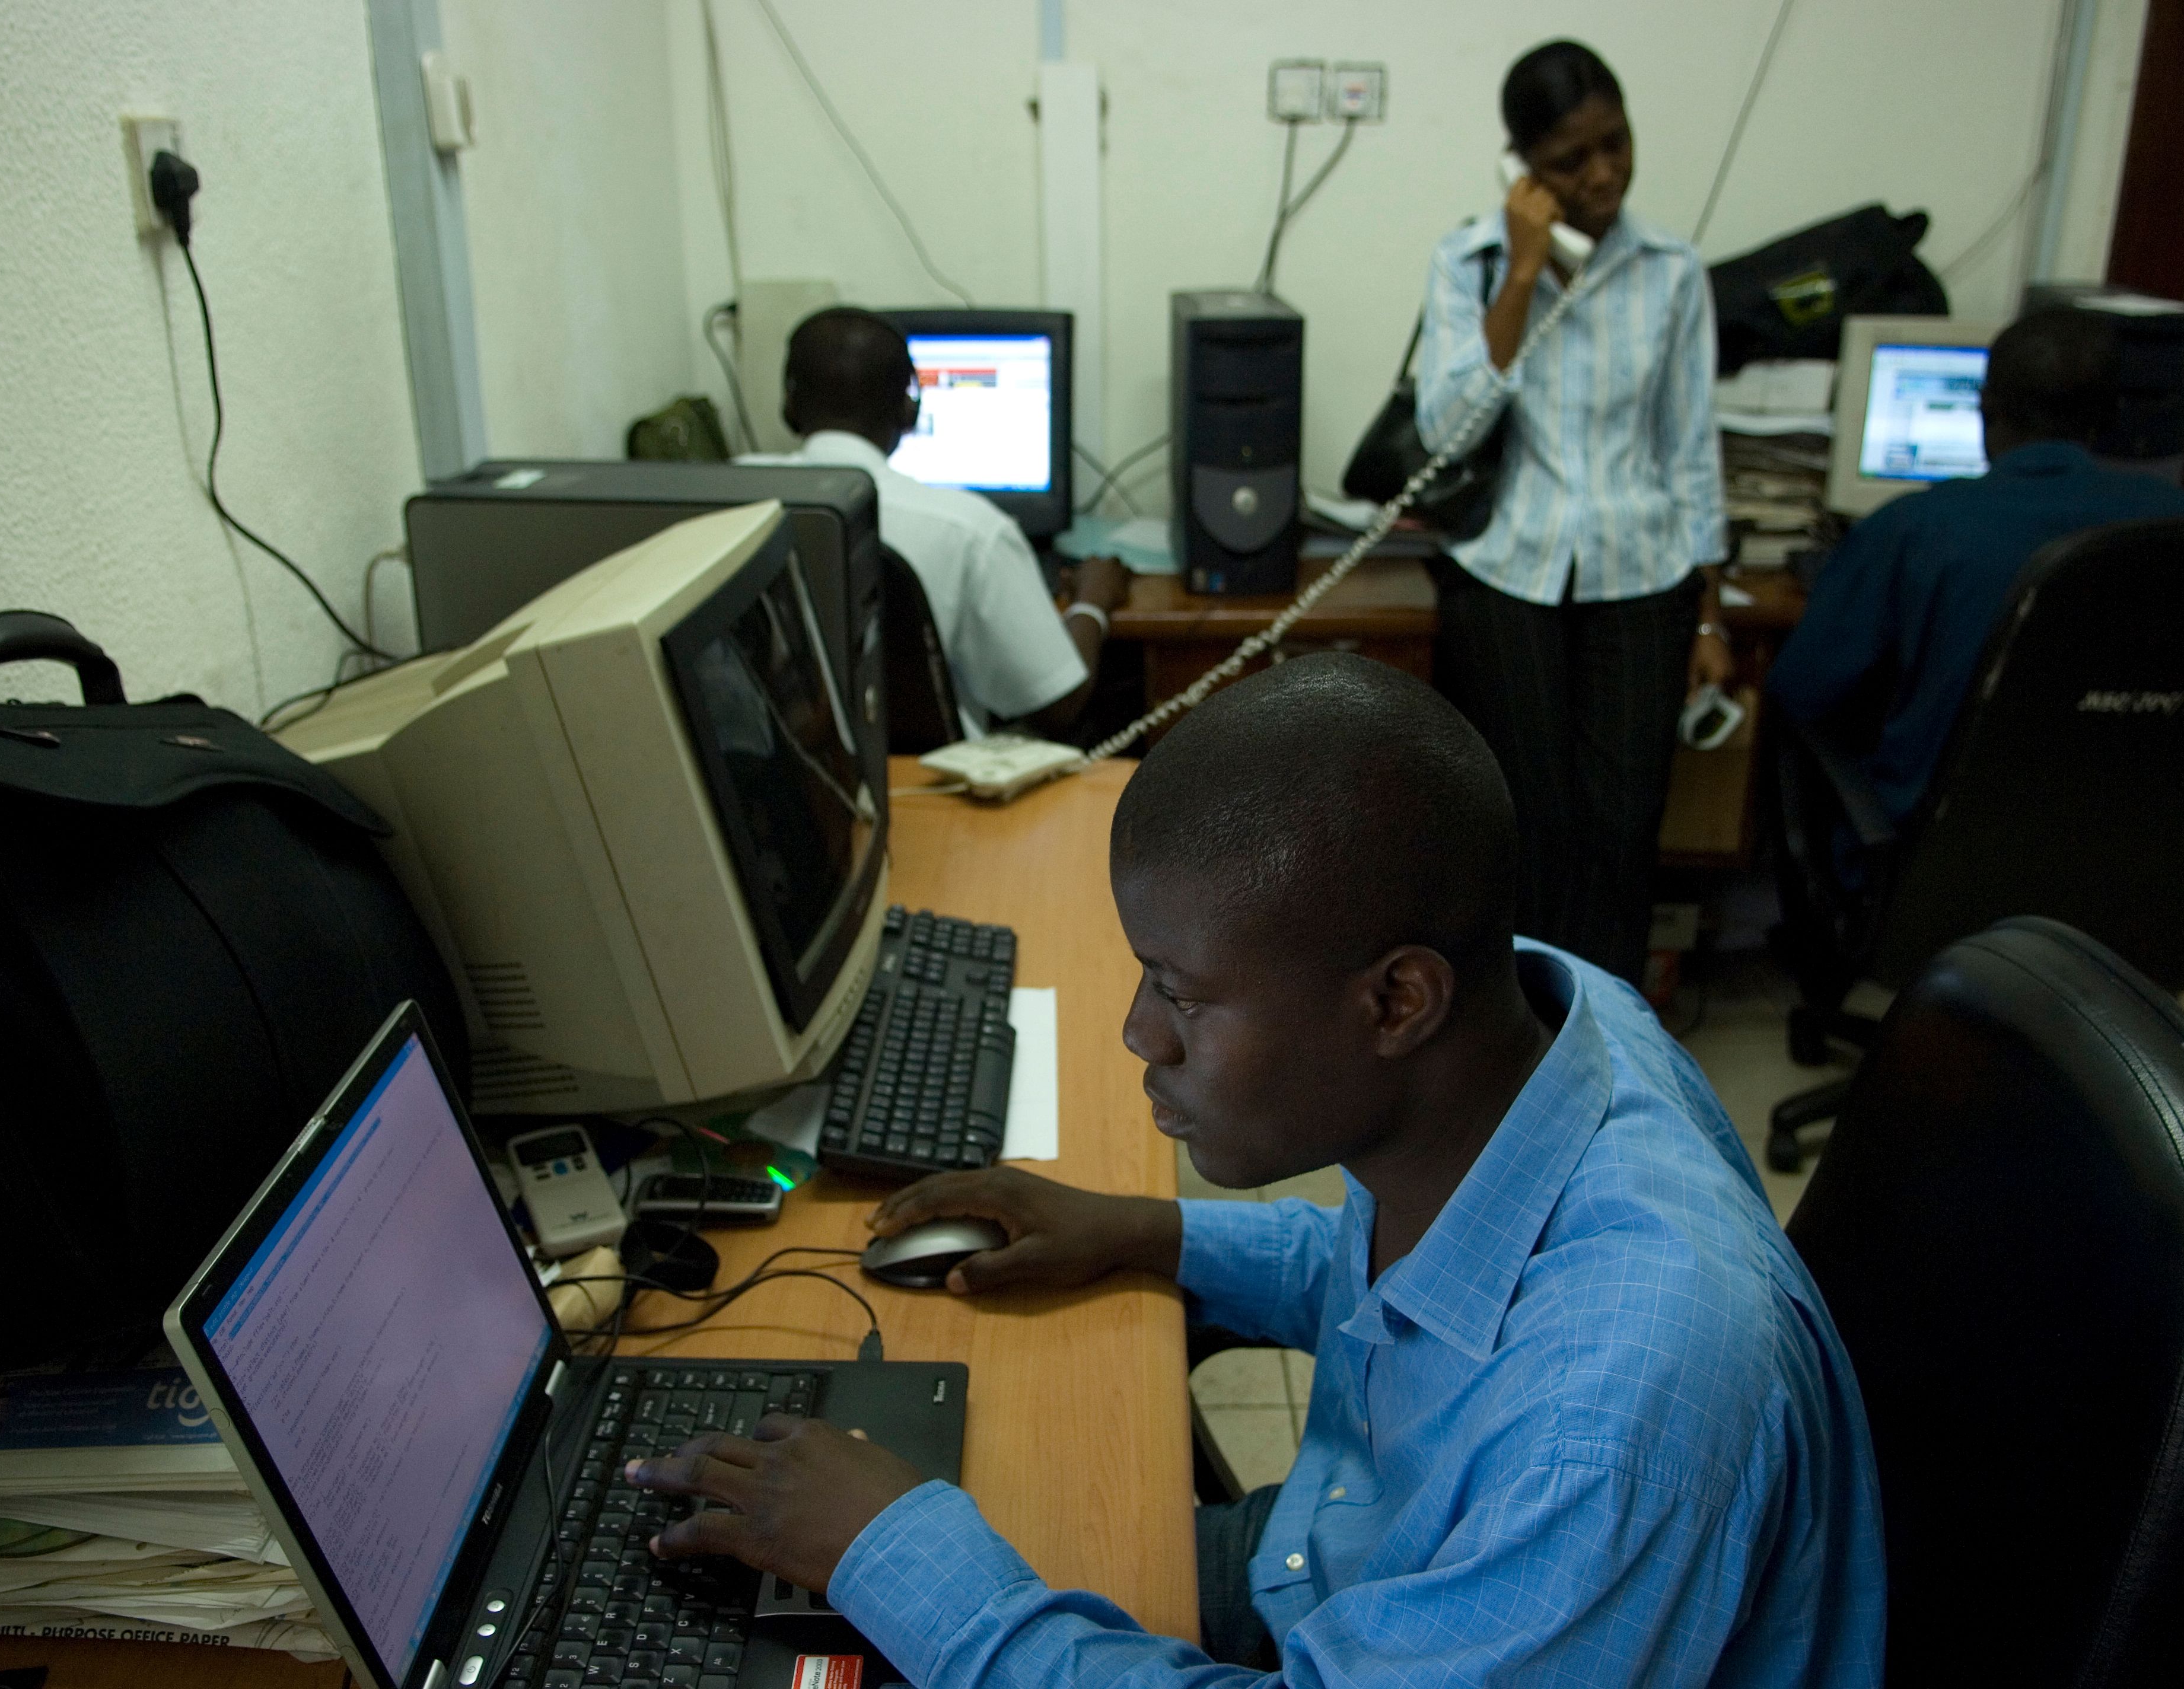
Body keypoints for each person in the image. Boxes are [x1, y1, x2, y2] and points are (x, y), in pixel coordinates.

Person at [626, 654, 1886, 1687]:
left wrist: (894, 1551)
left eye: (1178, 991)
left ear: (1397, 997)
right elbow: (1426, 1279)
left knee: (910, 1563)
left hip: (1401, 1629)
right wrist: (1145, 1230)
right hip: (1354, 1568)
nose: (1136, 1033)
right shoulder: (1536, 1022)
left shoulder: (1613, 1417)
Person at [1415, 40, 1731, 987]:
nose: (1602, 176)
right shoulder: (1467, 263)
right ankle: (1524, 1030)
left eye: (1615, 145)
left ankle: (1616, 1033)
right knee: (1528, 823)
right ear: (1522, 169)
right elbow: (1449, 431)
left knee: (1624, 826)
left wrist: (1713, 612)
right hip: (1508, 573)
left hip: (1644, 574)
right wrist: (1521, 274)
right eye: (1569, 161)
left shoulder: (1672, 271)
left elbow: (1690, 447)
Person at [1769, 307, 2184, 822]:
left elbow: (1802, 688)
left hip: (1943, 858)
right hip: (2133, 848)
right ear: (2112, 417)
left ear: (1984, 408)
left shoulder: (1916, 528)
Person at [741, 306, 1125, 737]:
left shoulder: (724, 500)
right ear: (910, 408)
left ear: (789, 403)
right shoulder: (969, 530)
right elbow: (1057, 702)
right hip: (930, 789)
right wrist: (1092, 599)